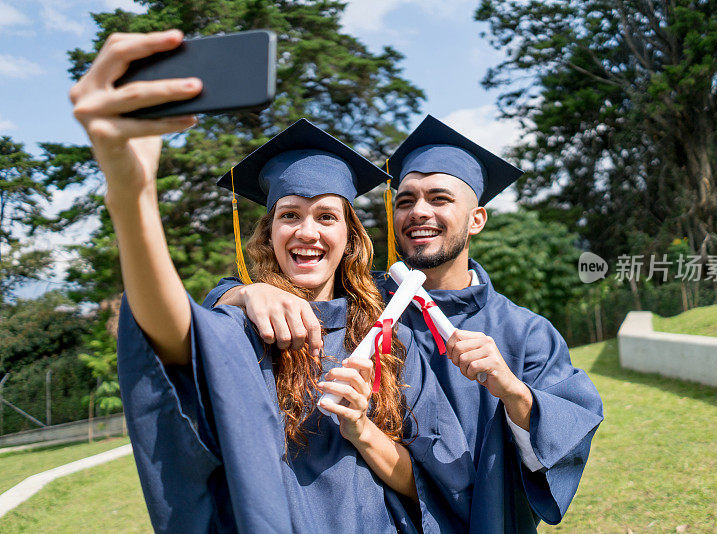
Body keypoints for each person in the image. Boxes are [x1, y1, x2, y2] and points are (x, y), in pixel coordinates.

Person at [69, 31, 472, 533]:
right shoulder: (243, 330)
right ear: (269, 231)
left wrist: (362, 429)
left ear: (349, 237)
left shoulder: (394, 339)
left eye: (327, 216)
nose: (307, 230)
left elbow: (435, 485)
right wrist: (132, 193)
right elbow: (168, 331)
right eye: (289, 215)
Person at [206, 115, 604, 531]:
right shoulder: (366, 304)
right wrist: (242, 293)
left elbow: (563, 440)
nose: (419, 212)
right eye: (406, 200)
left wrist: (514, 393)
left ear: (477, 219)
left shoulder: (526, 333)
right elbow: (264, 291)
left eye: (439, 199)